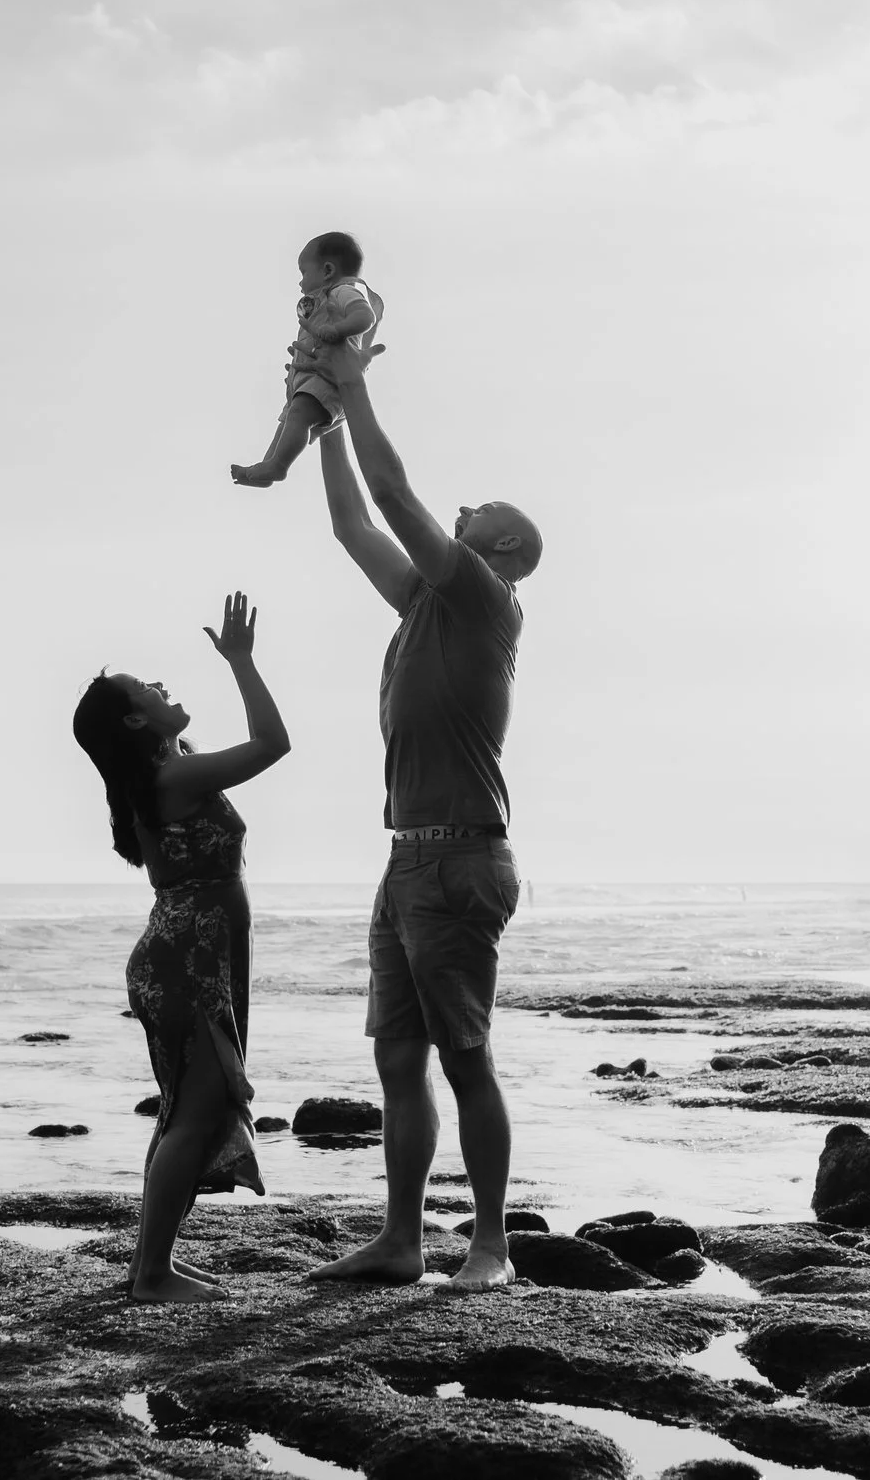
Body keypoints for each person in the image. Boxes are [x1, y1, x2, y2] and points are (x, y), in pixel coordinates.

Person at [302, 341, 541, 1293]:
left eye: (476, 510)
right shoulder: (423, 607)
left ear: (505, 549)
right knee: (400, 1059)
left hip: (461, 863)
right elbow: (355, 521)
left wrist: (355, 384)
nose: (458, 508)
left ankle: (490, 1246)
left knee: (466, 1058)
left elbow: (396, 495)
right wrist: (321, 420)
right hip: (405, 864)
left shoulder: (487, 599)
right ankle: (403, 1240)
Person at [70, 592, 289, 1302]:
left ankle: (147, 1266)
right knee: (194, 1114)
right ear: (135, 718)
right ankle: (154, 1275)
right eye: (149, 689)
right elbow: (271, 744)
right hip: (188, 958)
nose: (165, 688)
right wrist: (242, 662)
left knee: (185, 1113)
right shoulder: (170, 778)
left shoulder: (166, 771)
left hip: (193, 952)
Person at [231, 231, 384, 487]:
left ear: (326, 270)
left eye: (303, 272)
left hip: (327, 381)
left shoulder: (342, 291)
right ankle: (267, 466)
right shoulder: (325, 297)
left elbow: (365, 317)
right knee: (289, 420)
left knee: (298, 415)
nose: (300, 281)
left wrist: (337, 330)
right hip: (309, 378)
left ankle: (278, 465)